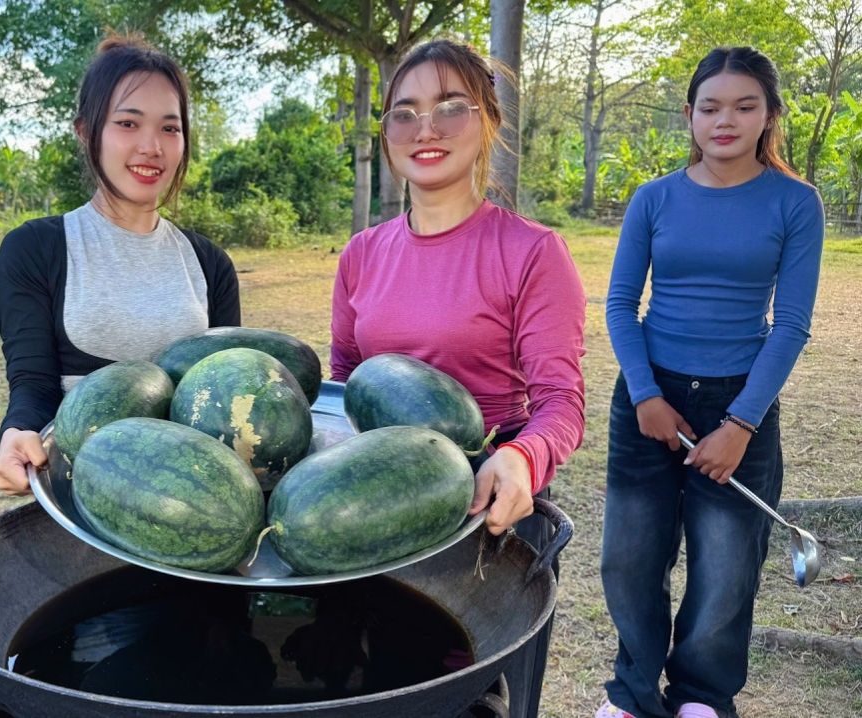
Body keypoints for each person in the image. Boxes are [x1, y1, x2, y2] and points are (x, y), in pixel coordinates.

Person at [328, 40, 586, 718]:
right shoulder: (360, 254)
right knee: (368, 682)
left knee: (464, 696)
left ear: (489, 122)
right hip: (374, 508)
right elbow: (345, 383)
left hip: (481, 516)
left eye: (450, 107)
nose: (426, 129)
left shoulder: (531, 251)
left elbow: (561, 402)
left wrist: (520, 458)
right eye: (404, 113)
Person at [598, 47, 824, 718]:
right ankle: (632, 695)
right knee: (629, 559)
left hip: (739, 403)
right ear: (689, 116)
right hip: (648, 398)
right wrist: (645, 396)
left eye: (743, 105)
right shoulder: (654, 198)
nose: (724, 120)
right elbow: (618, 306)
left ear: (768, 115)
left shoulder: (794, 202)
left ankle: (700, 697)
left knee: (725, 568)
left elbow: (789, 324)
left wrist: (739, 424)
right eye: (709, 106)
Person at [0, 35, 240, 496]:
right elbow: (33, 381)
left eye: (170, 128)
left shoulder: (209, 264)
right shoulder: (35, 249)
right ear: (86, 131)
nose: (152, 147)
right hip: (80, 490)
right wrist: (17, 430)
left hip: (192, 499)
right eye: (128, 123)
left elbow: (222, 396)